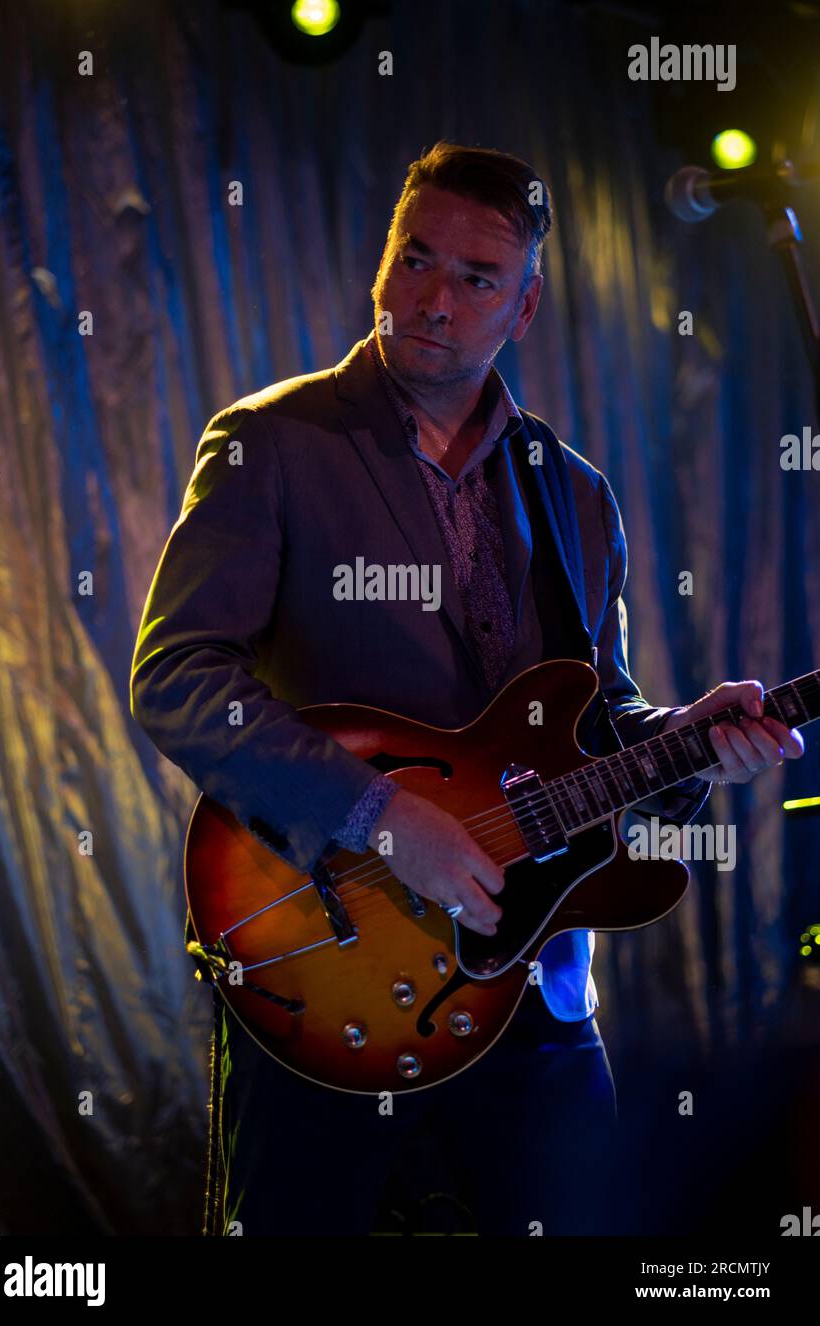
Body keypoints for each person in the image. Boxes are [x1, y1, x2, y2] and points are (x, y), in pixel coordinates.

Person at [129, 141, 804, 1236]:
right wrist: (381, 816)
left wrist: (682, 740)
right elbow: (177, 675)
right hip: (333, 953)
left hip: (531, 982)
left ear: (523, 306)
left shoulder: (574, 495)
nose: (430, 299)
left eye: (473, 278)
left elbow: (598, 718)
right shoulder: (272, 443)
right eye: (414, 259)